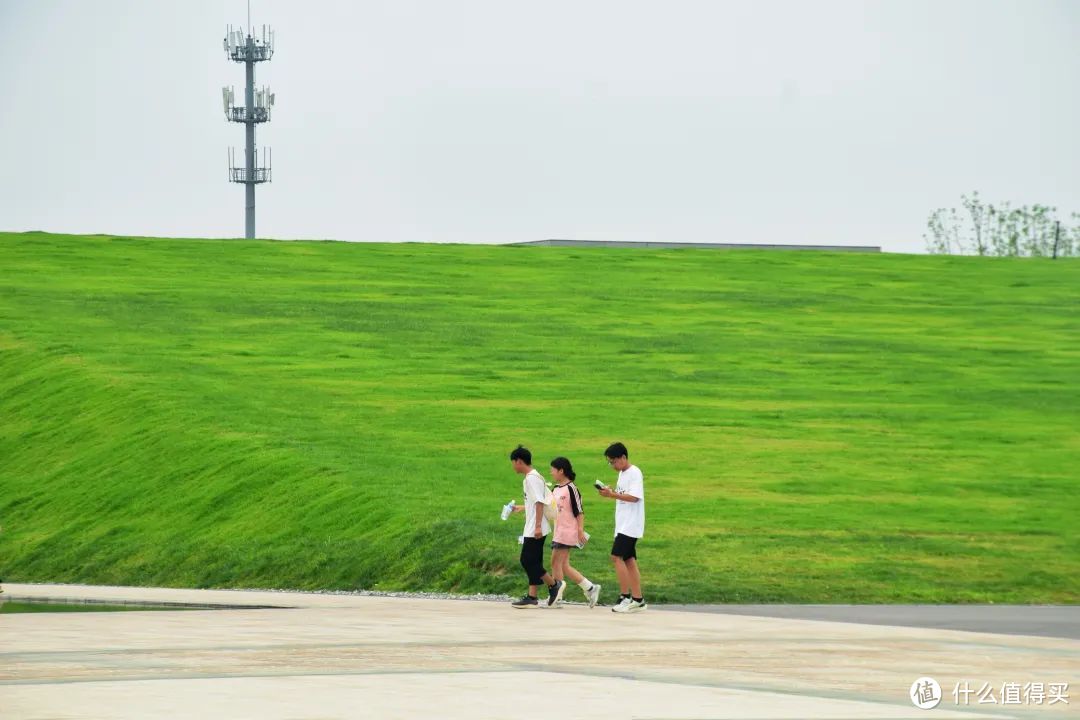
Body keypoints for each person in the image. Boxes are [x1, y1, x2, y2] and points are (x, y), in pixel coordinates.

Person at [507, 445, 564, 608]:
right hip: (534, 524)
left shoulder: (531, 478)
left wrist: (537, 526)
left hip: (535, 527)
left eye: (513, 462)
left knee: (527, 560)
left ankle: (554, 585)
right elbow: (534, 502)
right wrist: (522, 507)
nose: (513, 466)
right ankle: (532, 596)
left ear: (519, 461)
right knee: (534, 560)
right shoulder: (534, 476)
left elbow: (539, 501)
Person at [597, 442, 646, 613]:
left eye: (614, 461)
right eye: (610, 462)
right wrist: (611, 492)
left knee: (616, 557)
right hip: (623, 524)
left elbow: (634, 497)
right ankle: (638, 599)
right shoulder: (622, 473)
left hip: (631, 524)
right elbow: (622, 494)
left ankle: (625, 596)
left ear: (623, 458)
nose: (612, 465)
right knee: (629, 560)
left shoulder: (634, 473)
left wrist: (612, 495)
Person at [548, 457, 601, 608]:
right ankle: (590, 588)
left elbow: (579, 511)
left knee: (556, 562)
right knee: (563, 565)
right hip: (558, 531)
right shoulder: (556, 489)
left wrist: (580, 530)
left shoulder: (572, 488)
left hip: (568, 530)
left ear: (561, 470)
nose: (551, 473)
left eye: (553, 469)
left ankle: (556, 597)